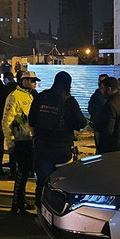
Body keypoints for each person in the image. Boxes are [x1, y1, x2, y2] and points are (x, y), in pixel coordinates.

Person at [28, 71, 87, 209]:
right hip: (62, 150)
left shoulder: (41, 96)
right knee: (61, 183)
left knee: (42, 181)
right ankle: (56, 211)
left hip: (42, 148)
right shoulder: (69, 101)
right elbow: (81, 123)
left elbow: (31, 119)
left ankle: (40, 209)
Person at [2, 70, 39, 214]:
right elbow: (6, 122)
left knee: (25, 174)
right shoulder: (14, 97)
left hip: (28, 139)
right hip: (20, 141)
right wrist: (10, 143)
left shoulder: (29, 96)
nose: (35, 83)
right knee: (21, 174)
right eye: (32, 80)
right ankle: (16, 205)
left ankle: (21, 201)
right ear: (24, 81)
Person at [87, 74, 109, 155]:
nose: (99, 83)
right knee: (99, 147)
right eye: (99, 81)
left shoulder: (109, 96)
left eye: (101, 81)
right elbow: (90, 107)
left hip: (106, 126)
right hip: (98, 125)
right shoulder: (96, 94)